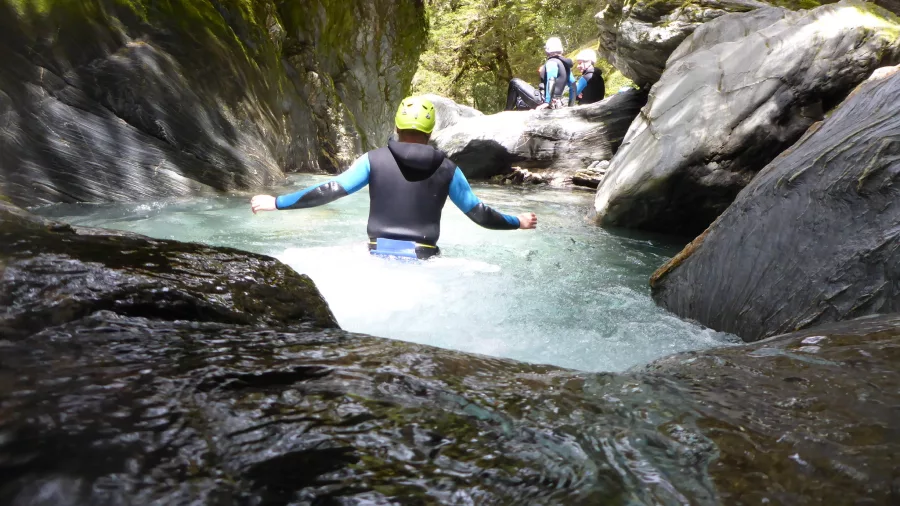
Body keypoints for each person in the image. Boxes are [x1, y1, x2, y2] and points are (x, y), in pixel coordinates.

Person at [250, 96, 538, 260]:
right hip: (424, 256)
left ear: (397, 126)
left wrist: (277, 202)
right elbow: (479, 214)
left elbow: (331, 189)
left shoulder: (372, 160)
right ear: (431, 131)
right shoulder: (449, 169)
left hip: (375, 252)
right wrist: (518, 222)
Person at [505, 37, 576, 111]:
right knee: (520, 102)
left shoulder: (552, 62)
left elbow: (551, 80)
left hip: (544, 100)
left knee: (514, 82)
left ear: (547, 50)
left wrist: (547, 102)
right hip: (557, 102)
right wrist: (571, 106)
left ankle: (506, 112)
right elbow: (573, 86)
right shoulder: (565, 65)